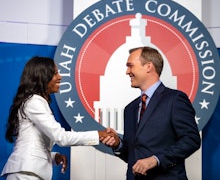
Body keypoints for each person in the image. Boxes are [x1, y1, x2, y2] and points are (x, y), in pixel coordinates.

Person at [1, 56, 117, 180]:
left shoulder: (34, 101)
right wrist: (99, 134)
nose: (60, 77)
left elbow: (32, 143)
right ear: (42, 77)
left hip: (27, 173)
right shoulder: (35, 101)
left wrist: (53, 157)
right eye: (55, 73)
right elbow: (62, 138)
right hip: (26, 175)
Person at [102, 46, 201, 180]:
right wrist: (117, 144)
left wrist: (156, 160)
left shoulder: (174, 99)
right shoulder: (130, 109)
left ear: (148, 66)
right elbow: (133, 154)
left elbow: (191, 140)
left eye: (130, 66)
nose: (127, 71)